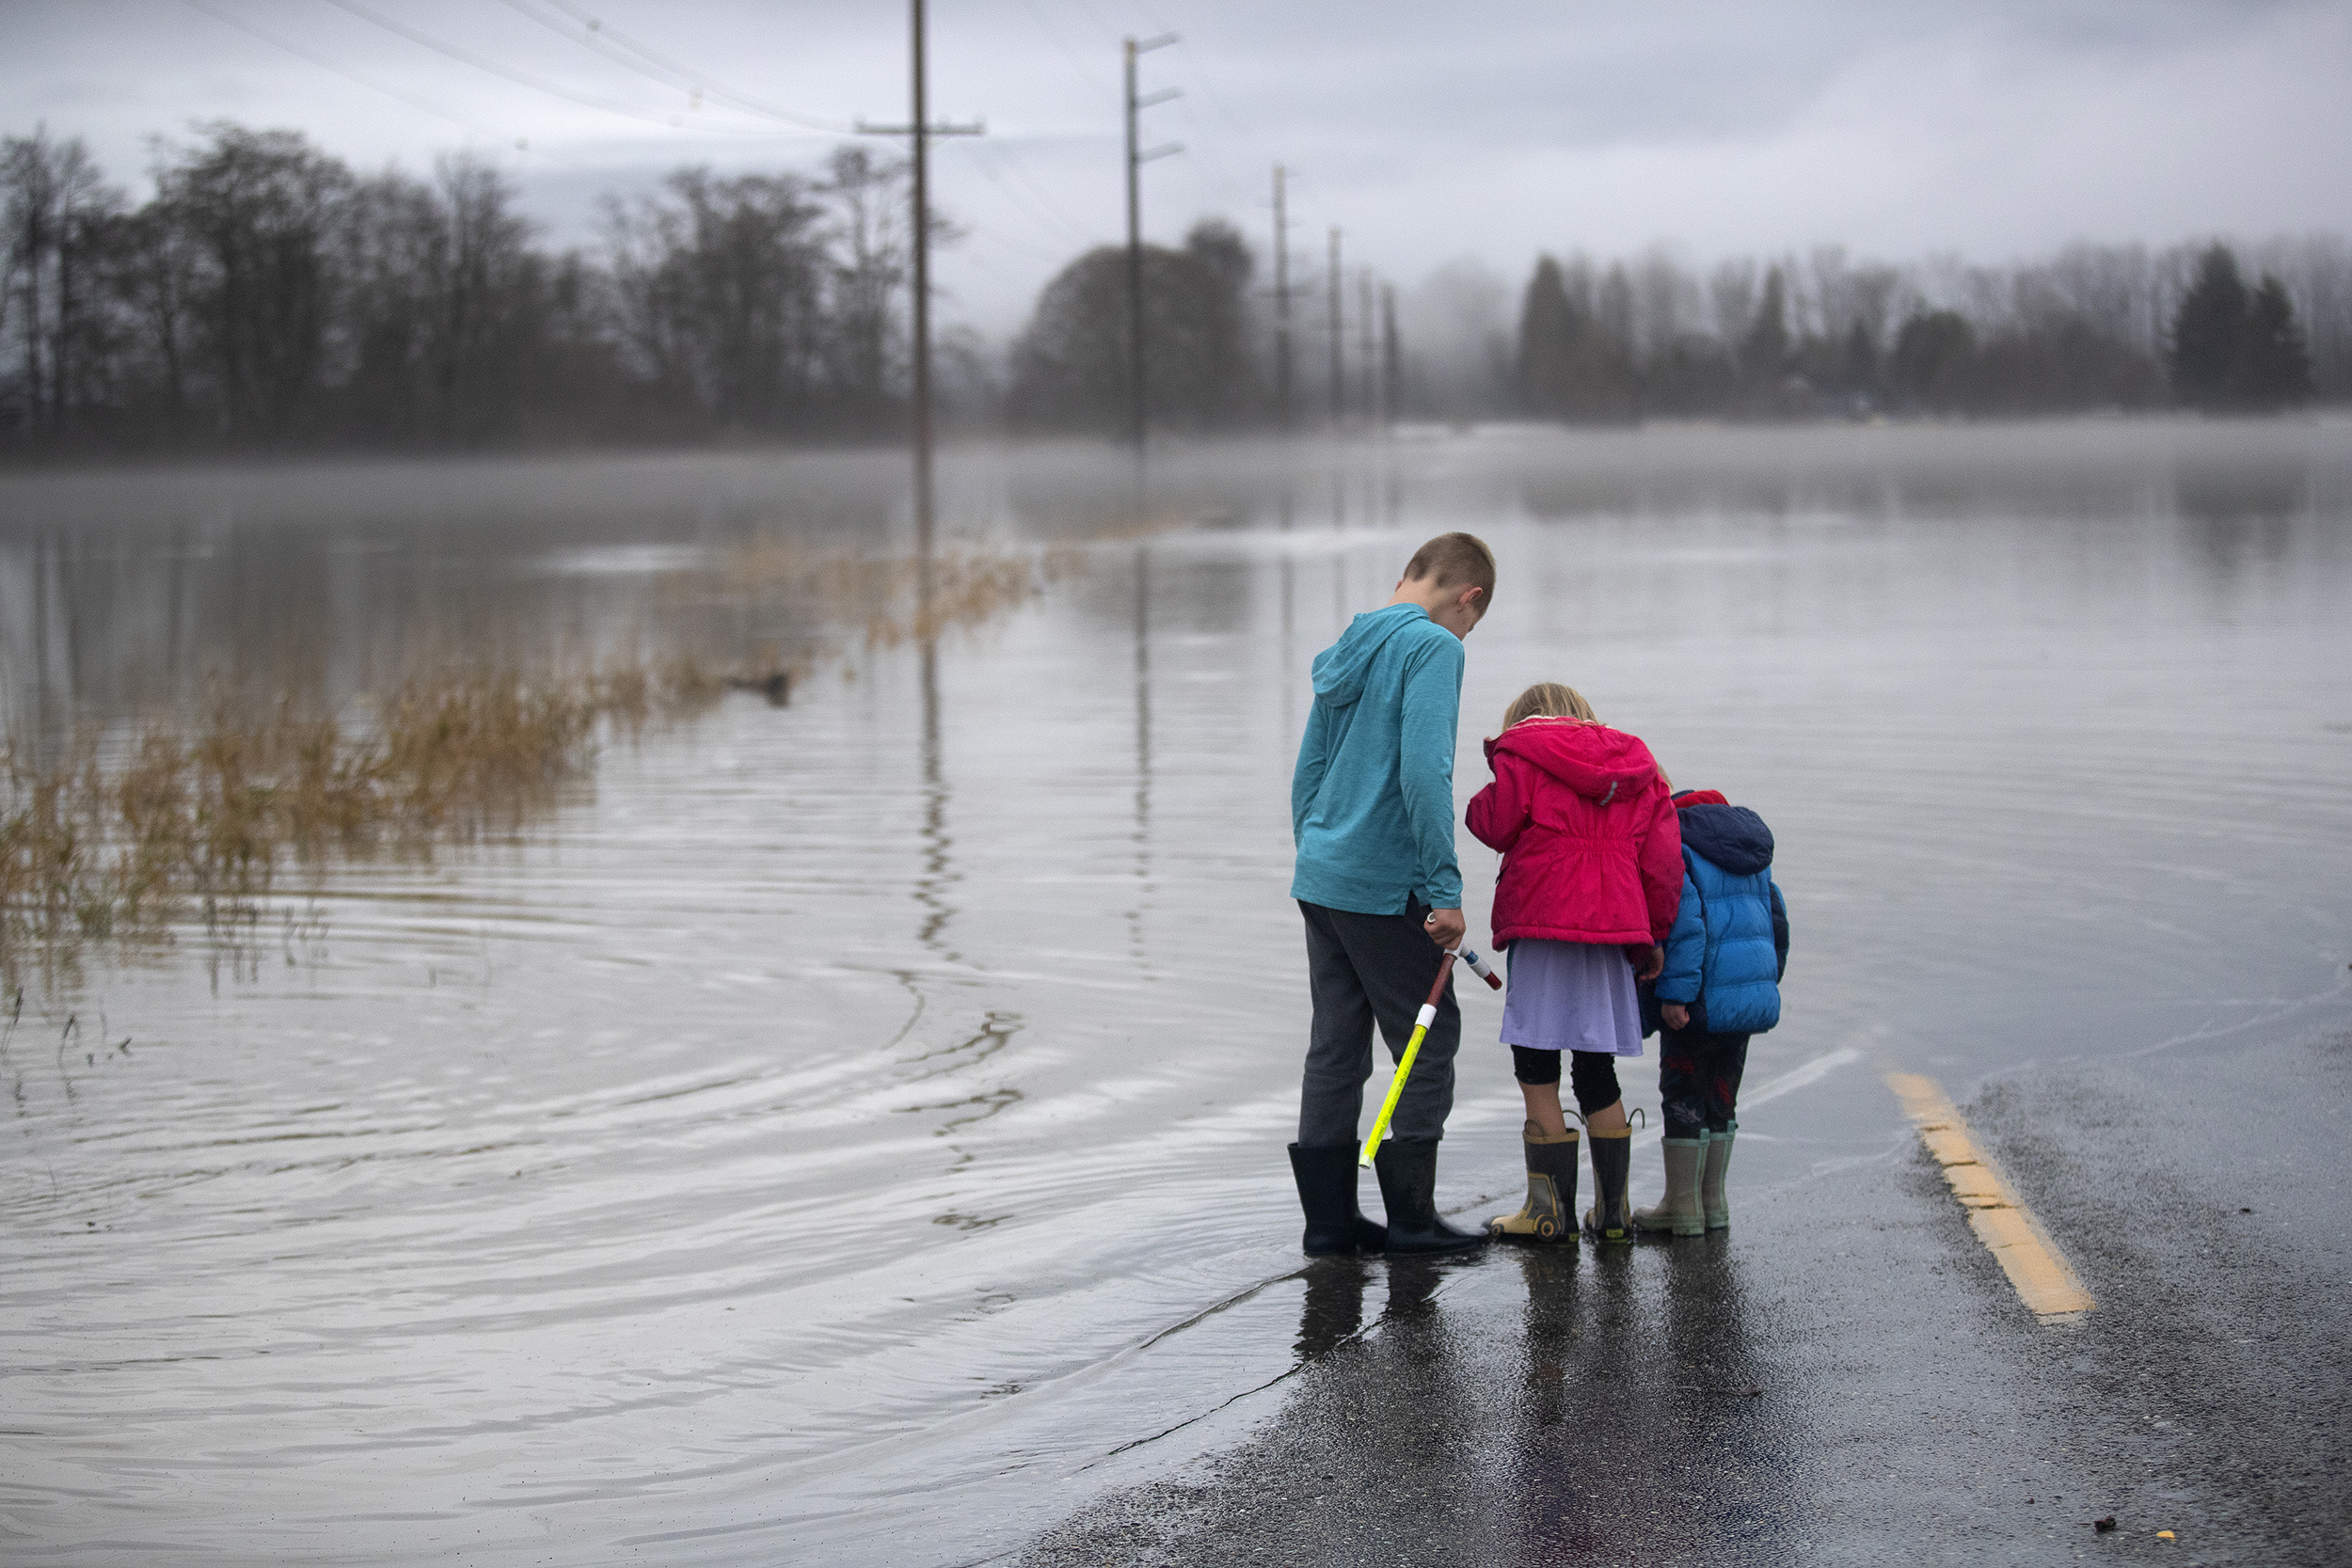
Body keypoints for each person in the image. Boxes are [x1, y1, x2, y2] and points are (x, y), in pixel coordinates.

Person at [1286, 532, 1496, 1258]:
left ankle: (1330, 1226)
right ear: (1467, 598)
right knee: (1429, 1036)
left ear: (1408, 574)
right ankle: (1411, 1220)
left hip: (1323, 874)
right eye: (1474, 620)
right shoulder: (1435, 648)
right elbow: (1424, 773)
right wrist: (1445, 890)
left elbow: (1308, 770)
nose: (1467, 633)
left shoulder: (1352, 642)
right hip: (1382, 883)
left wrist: (1316, 851)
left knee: (1336, 1047)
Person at [1465, 683, 1682, 1244]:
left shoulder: (1524, 754)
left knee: (1535, 1059)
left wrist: (1488, 780)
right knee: (1595, 1066)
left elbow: (1493, 825)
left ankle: (1546, 1213)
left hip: (1543, 920)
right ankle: (1613, 1216)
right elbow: (1661, 863)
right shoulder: (1638, 766)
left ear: (1523, 721)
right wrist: (1653, 934)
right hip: (1613, 928)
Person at [1630, 788, 1789, 1236]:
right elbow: (1776, 923)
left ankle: (1682, 1209)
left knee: (1682, 1096)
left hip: (1696, 1005)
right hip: (1742, 1006)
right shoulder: (1754, 860)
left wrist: (1675, 995)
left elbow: (1686, 926)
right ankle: (1713, 1205)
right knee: (1722, 1095)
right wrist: (1765, 983)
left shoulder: (1680, 849)